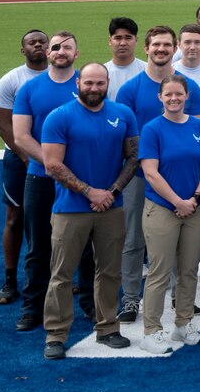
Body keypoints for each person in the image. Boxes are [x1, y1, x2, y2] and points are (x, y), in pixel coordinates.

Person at [38, 62, 139, 359]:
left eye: (100, 83)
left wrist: (112, 193)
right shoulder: (59, 117)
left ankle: (107, 328)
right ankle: (55, 335)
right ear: (78, 83)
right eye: (89, 83)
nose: (94, 88)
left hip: (111, 207)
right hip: (70, 209)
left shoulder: (123, 114)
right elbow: (52, 165)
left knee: (109, 272)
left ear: (107, 84)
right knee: (62, 274)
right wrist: (90, 192)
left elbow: (133, 158)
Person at [116, 26, 200, 323]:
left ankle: (178, 295)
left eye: (167, 45)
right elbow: (126, 138)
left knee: (178, 240)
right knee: (133, 240)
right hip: (140, 176)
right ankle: (131, 299)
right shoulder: (130, 89)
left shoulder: (190, 87)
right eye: (156, 44)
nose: (161, 49)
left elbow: (193, 132)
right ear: (146, 48)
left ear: (175, 49)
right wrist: (147, 167)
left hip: (179, 176)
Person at [135, 75, 200, 354]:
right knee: (159, 271)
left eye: (178, 94)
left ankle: (183, 323)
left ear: (186, 97)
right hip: (163, 208)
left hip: (195, 207)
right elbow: (150, 172)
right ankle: (152, 330)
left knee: (189, 269)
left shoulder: (199, 127)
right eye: (168, 94)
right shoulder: (152, 129)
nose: (173, 98)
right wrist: (177, 201)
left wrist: (194, 198)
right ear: (160, 97)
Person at [10, 32, 81, 332]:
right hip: (40, 178)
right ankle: (32, 306)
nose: (60, 51)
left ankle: (89, 303)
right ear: (48, 54)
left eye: (67, 47)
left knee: (86, 246)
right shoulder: (29, 89)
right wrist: (52, 165)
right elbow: (21, 136)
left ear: (77, 54)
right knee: (38, 246)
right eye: (55, 47)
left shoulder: (88, 85)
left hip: (80, 181)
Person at [0, 28, 49, 306]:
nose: (37, 45)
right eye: (31, 42)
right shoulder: (11, 80)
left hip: (57, 158)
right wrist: (27, 157)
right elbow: (3, 125)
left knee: (60, 219)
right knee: (15, 217)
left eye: (42, 42)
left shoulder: (68, 77)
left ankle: (55, 277)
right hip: (20, 160)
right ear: (22, 49)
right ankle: (10, 279)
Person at [104, 16, 146, 96]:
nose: (123, 43)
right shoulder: (101, 73)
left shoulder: (147, 71)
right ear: (110, 40)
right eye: (118, 38)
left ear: (136, 40)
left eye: (128, 38)